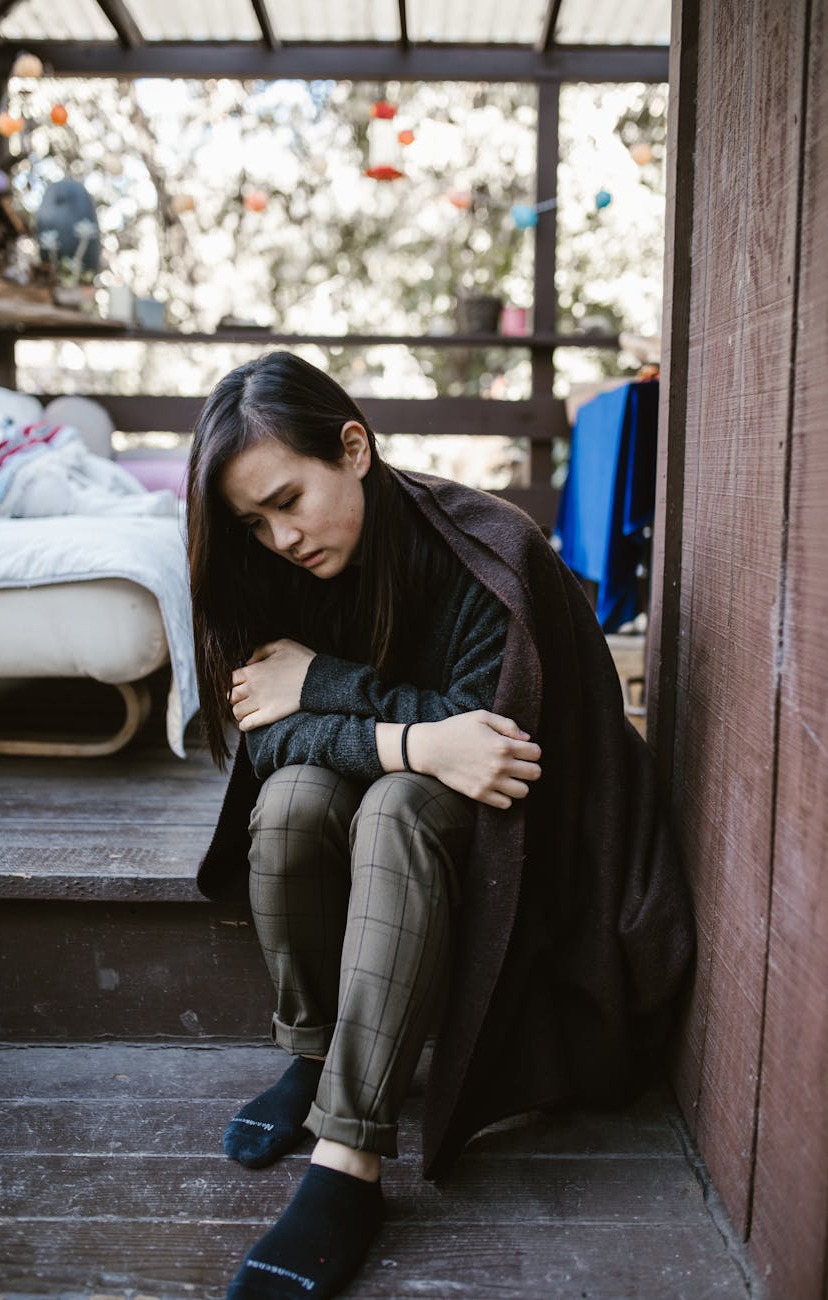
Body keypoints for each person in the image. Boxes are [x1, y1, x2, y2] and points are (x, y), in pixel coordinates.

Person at [186, 352, 694, 1300]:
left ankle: (348, 1161)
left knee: (394, 808)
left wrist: (324, 684)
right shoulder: (267, 571)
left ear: (353, 448)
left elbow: (498, 749)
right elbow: (264, 735)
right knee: (292, 799)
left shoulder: (486, 553)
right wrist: (410, 739)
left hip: (521, 831)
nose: (280, 538)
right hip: (411, 773)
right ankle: (313, 1053)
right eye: (254, 521)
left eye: (288, 501)